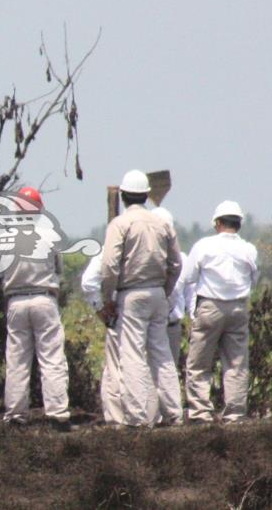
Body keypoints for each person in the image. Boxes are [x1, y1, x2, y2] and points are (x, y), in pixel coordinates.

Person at [101, 170, 183, 427]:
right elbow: (176, 264)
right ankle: (174, 413)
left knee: (133, 354)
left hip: (131, 294)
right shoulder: (162, 223)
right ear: (147, 195)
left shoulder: (120, 224)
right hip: (158, 293)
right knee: (162, 353)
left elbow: (110, 266)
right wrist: (166, 290)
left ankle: (137, 416)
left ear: (123, 196)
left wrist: (108, 298)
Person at [0, 187, 71, 432]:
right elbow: (59, 268)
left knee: (17, 360)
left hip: (16, 302)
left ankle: (15, 416)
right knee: (51, 359)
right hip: (44, 299)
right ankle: (58, 414)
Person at [183, 200, 258, 424]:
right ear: (239, 223)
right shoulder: (248, 249)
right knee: (236, 362)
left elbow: (188, 278)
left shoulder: (204, 246)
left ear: (217, 223)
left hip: (210, 306)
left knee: (199, 363)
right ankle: (235, 413)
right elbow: (254, 279)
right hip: (238, 307)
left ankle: (200, 412)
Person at [80, 250, 123, 427]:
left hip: (119, 310)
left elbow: (89, 282)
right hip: (150, 311)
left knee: (115, 366)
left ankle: (116, 417)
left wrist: (100, 309)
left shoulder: (109, 251)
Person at [151, 207, 196, 368]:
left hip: (171, 328)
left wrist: (193, 320)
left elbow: (191, 294)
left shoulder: (183, 259)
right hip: (148, 327)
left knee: (169, 372)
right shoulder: (147, 259)